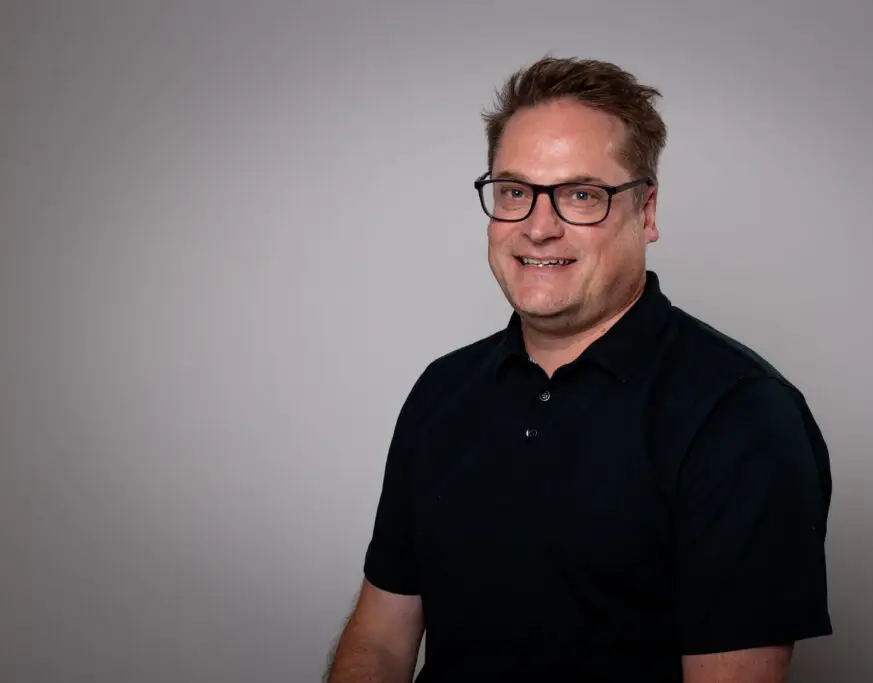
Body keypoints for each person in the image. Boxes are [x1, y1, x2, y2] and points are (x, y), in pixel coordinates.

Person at [327, 56, 833, 683]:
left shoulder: (740, 415)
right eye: (515, 191)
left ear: (645, 213)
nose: (539, 228)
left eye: (581, 195)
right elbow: (380, 638)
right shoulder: (442, 390)